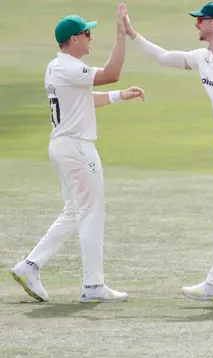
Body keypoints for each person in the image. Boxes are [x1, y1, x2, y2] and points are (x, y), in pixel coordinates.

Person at [123, 1, 213, 304]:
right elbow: (164, 57)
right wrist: (132, 34)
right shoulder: (203, 58)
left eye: (200, 19)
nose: (196, 24)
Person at [10, 6, 145, 303]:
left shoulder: (57, 66)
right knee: (91, 212)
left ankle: (29, 266)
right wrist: (121, 36)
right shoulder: (68, 67)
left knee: (76, 210)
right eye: (86, 33)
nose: (90, 37)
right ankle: (93, 286)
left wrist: (120, 96)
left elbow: (83, 99)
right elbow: (111, 74)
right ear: (72, 39)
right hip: (76, 147)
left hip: (65, 146)